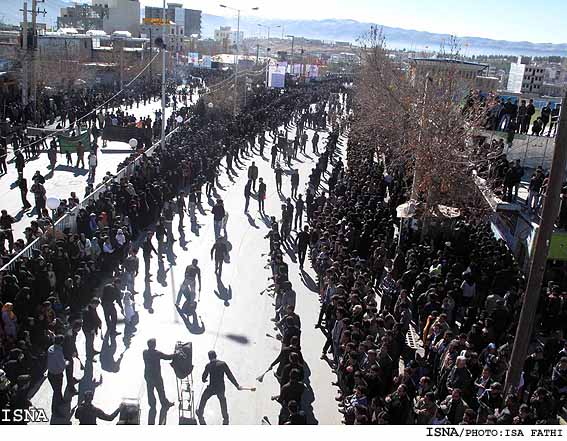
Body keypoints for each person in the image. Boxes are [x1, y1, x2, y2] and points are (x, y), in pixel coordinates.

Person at [196, 350, 242, 425]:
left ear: (209, 357)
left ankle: (200, 413)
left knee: (204, 398)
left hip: (211, 387)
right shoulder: (223, 364)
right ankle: (225, 417)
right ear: (216, 355)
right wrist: (237, 385)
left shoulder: (208, 365)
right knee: (222, 400)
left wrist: (204, 380)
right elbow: (230, 375)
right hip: (220, 387)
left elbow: (204, 376)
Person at [143, 338, 175, 409]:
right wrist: (175, 354)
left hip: (148, 376)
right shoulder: (157, 354)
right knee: (160, 390)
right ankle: (164, 403)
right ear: (154, 345)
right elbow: (168, 357)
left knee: (150, 391)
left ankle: (152, 404)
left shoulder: (145, 353)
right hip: (156, 376)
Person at [47, 335, 66, 411]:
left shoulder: (50, 348)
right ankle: (55, 409)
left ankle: (61, 400)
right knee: (56, 391)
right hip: (57, 374)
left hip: (51, 373)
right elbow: (62, 364)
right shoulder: (58, 352)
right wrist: (66, 363)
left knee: (57, 390)